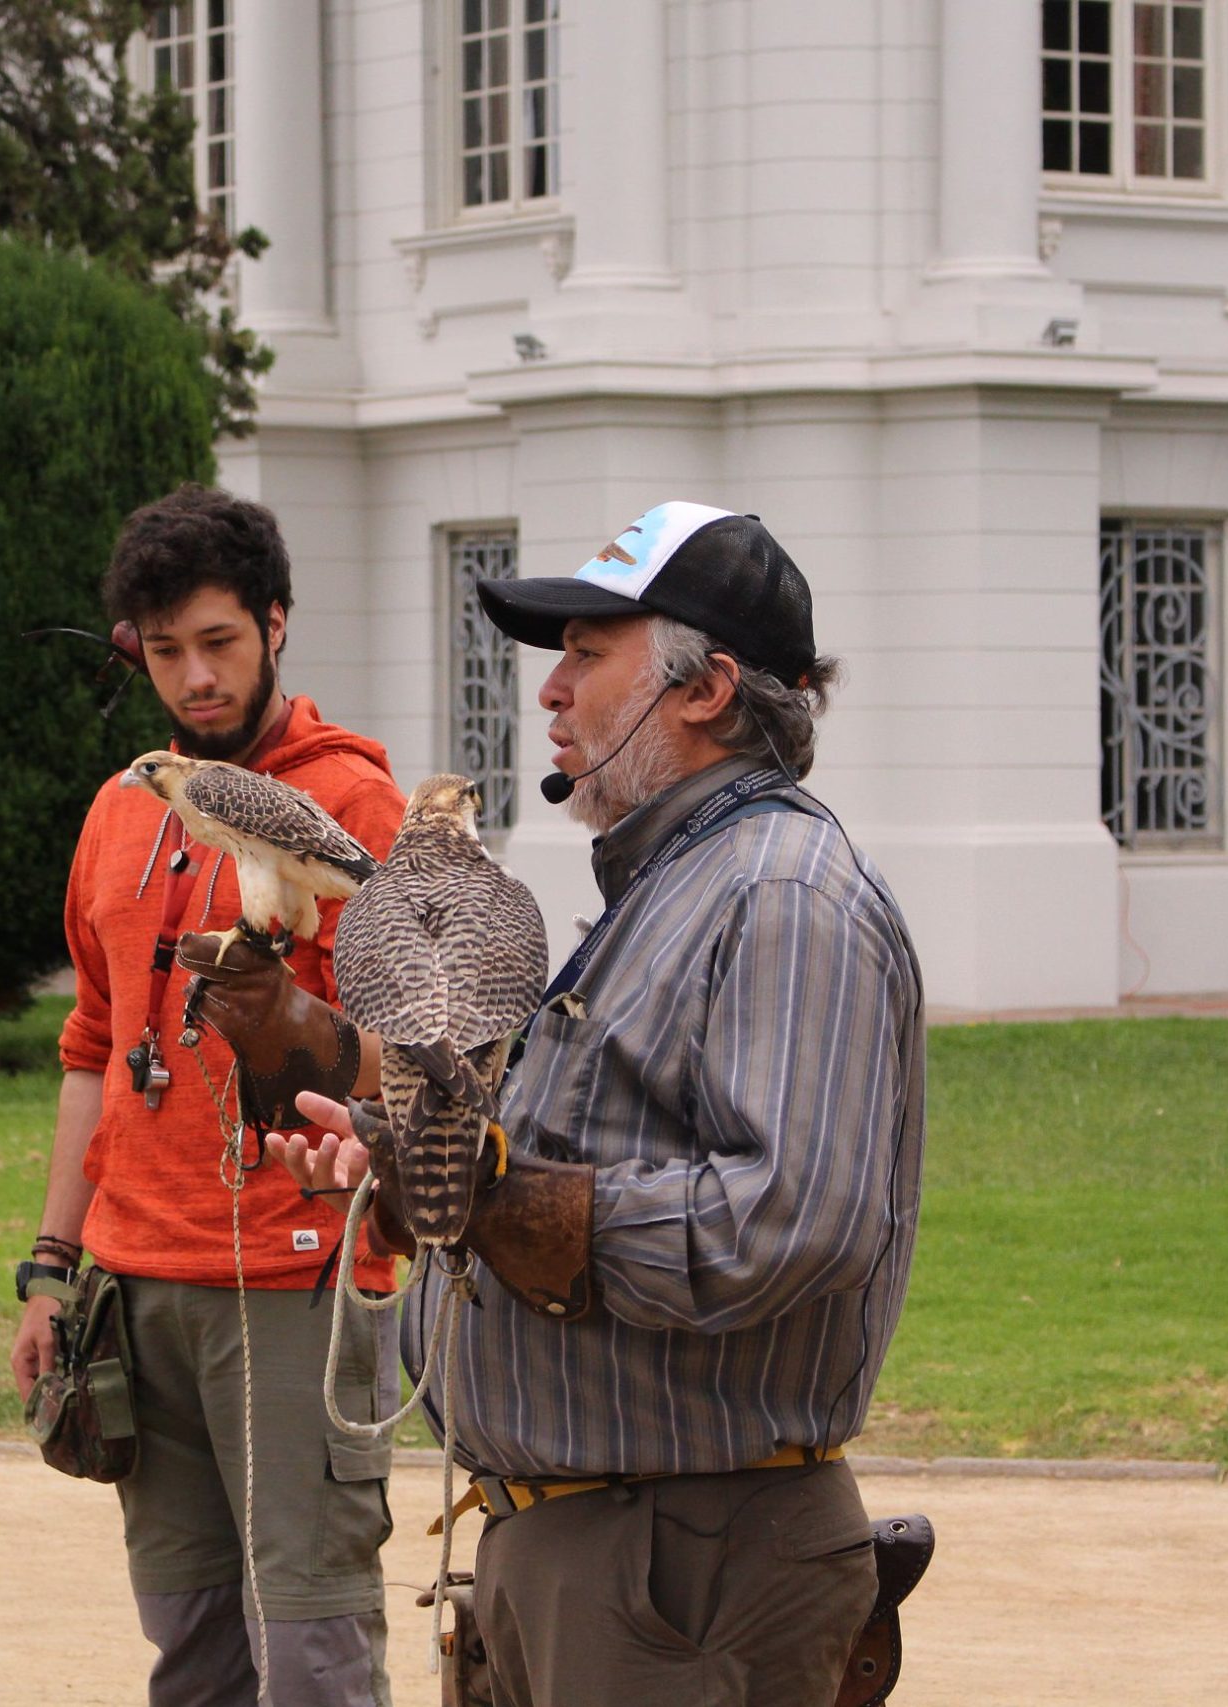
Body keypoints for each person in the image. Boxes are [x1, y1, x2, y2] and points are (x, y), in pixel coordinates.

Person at [265, 501, 928, 1707]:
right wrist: (411, 1177)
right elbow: (581, 1163)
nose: (549, 692)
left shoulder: (781, 894)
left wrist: (515, 1202)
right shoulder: (664, 886)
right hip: (592, 1549)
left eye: (586, 653)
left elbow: (792, 1219)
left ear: (706, 688)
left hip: (685, 1561)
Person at [10, 484, 408, 1707]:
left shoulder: (351, 805)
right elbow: (93, 1045)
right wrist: (48, 1266)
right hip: (135, 1285)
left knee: (311, 1654)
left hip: (295, 1280)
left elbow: (411, 1060)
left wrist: (287, 1019)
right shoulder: (123, 805)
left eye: (218, 643)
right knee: (188, 1649)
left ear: (276, 623)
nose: (193, 678)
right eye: (166, 651)